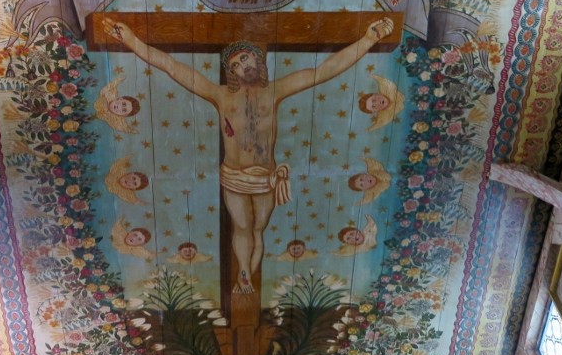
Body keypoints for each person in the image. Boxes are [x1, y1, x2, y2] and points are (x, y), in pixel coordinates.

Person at [104, 16, 394, 293]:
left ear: (257, 59)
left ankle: (249, 274)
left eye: (245, 58)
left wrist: (369, 39)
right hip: (233, 176)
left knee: (258, 228)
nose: (243, 66)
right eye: (235, 64)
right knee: (242, 226)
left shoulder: (275, 91)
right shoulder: (221, 95)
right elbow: (171, 66)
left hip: (265, 177)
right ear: (231, 73)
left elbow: (325, 70)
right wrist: (131, 40)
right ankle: (244, 272)